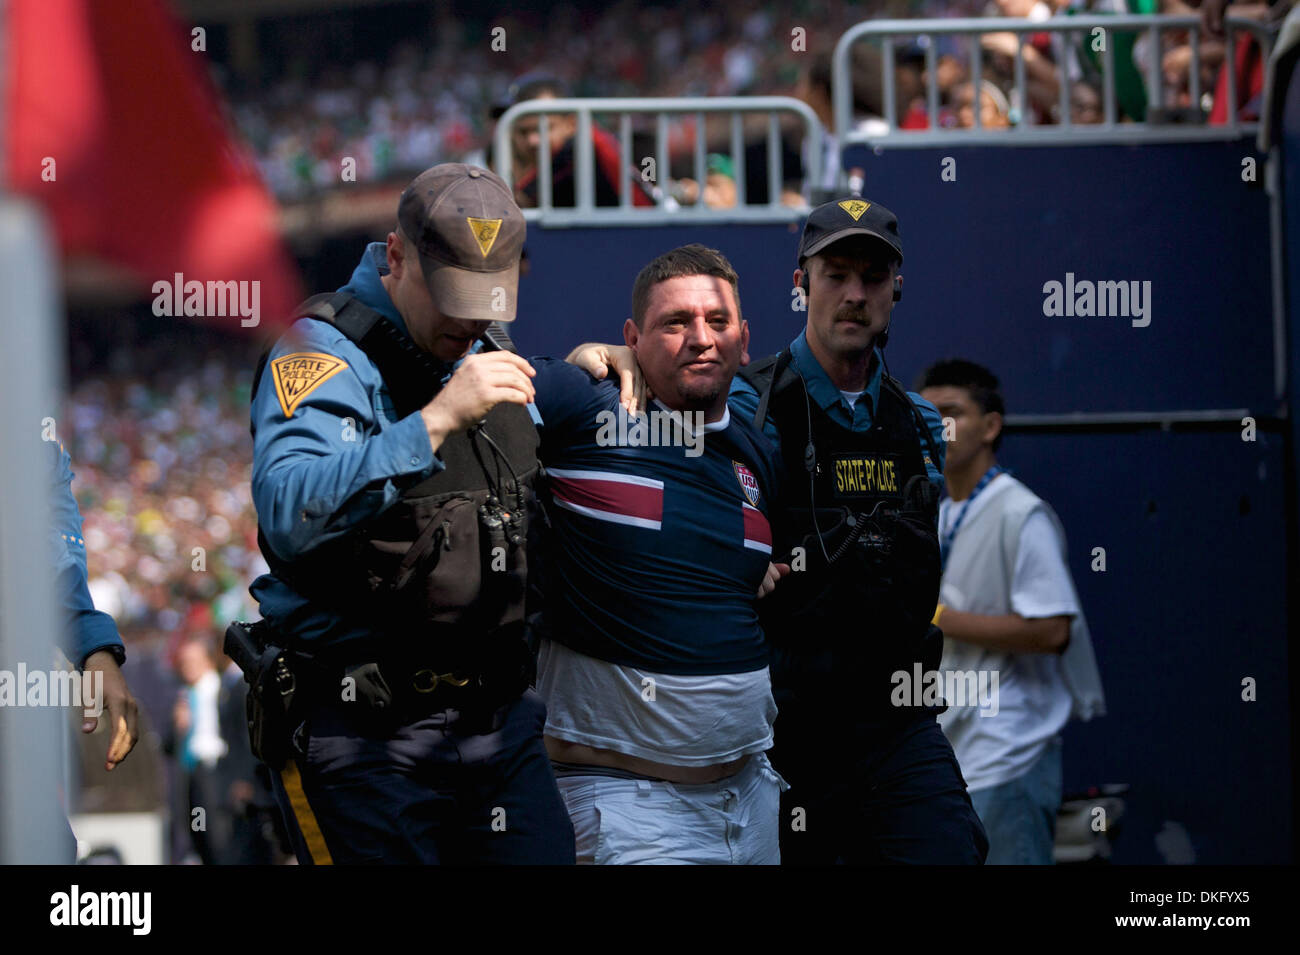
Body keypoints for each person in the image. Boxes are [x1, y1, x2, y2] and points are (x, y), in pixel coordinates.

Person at [572, 198, 989, 864]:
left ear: (897, 287)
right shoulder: (743, 401)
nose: (855, 293)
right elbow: (648, 395)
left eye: (873, 276)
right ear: (801, 285)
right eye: (835, 274)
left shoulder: (917, 424)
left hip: (898, 729)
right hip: (784, 738)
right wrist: (608, 353)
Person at [244, 162, 574, 865]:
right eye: (452, 295)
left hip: (498, 727)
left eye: (487, 301)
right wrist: (431, 423)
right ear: (396, 255)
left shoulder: (483, 340)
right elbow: (288, 507)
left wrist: (605, 363)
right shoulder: (320, 353)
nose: (470, 320)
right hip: (368, 736)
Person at [530, 244, 788, 864]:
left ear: (744, 340)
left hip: (752, 800)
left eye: (717, 321)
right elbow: (466, 399)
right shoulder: (585, 403)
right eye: (675, 322)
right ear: (632, 337)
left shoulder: (758, 445)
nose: (701, 338)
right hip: (629, 810)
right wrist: (579, 362)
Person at [919, 359, 1105, 865]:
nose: (939, 426)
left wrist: (936, 617)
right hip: (956, 753)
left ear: (991, 426)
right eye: (927, 413)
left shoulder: (1020, 512)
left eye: (952, 412)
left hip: (1009, 754)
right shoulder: (939, 510)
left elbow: (1052, 630)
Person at [503, 75, 654, 209]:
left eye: (544, 128)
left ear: (571, 124)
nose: (533, 141)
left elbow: (520, 200)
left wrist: (523, 194)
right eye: (523, 132)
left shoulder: (583, 149)